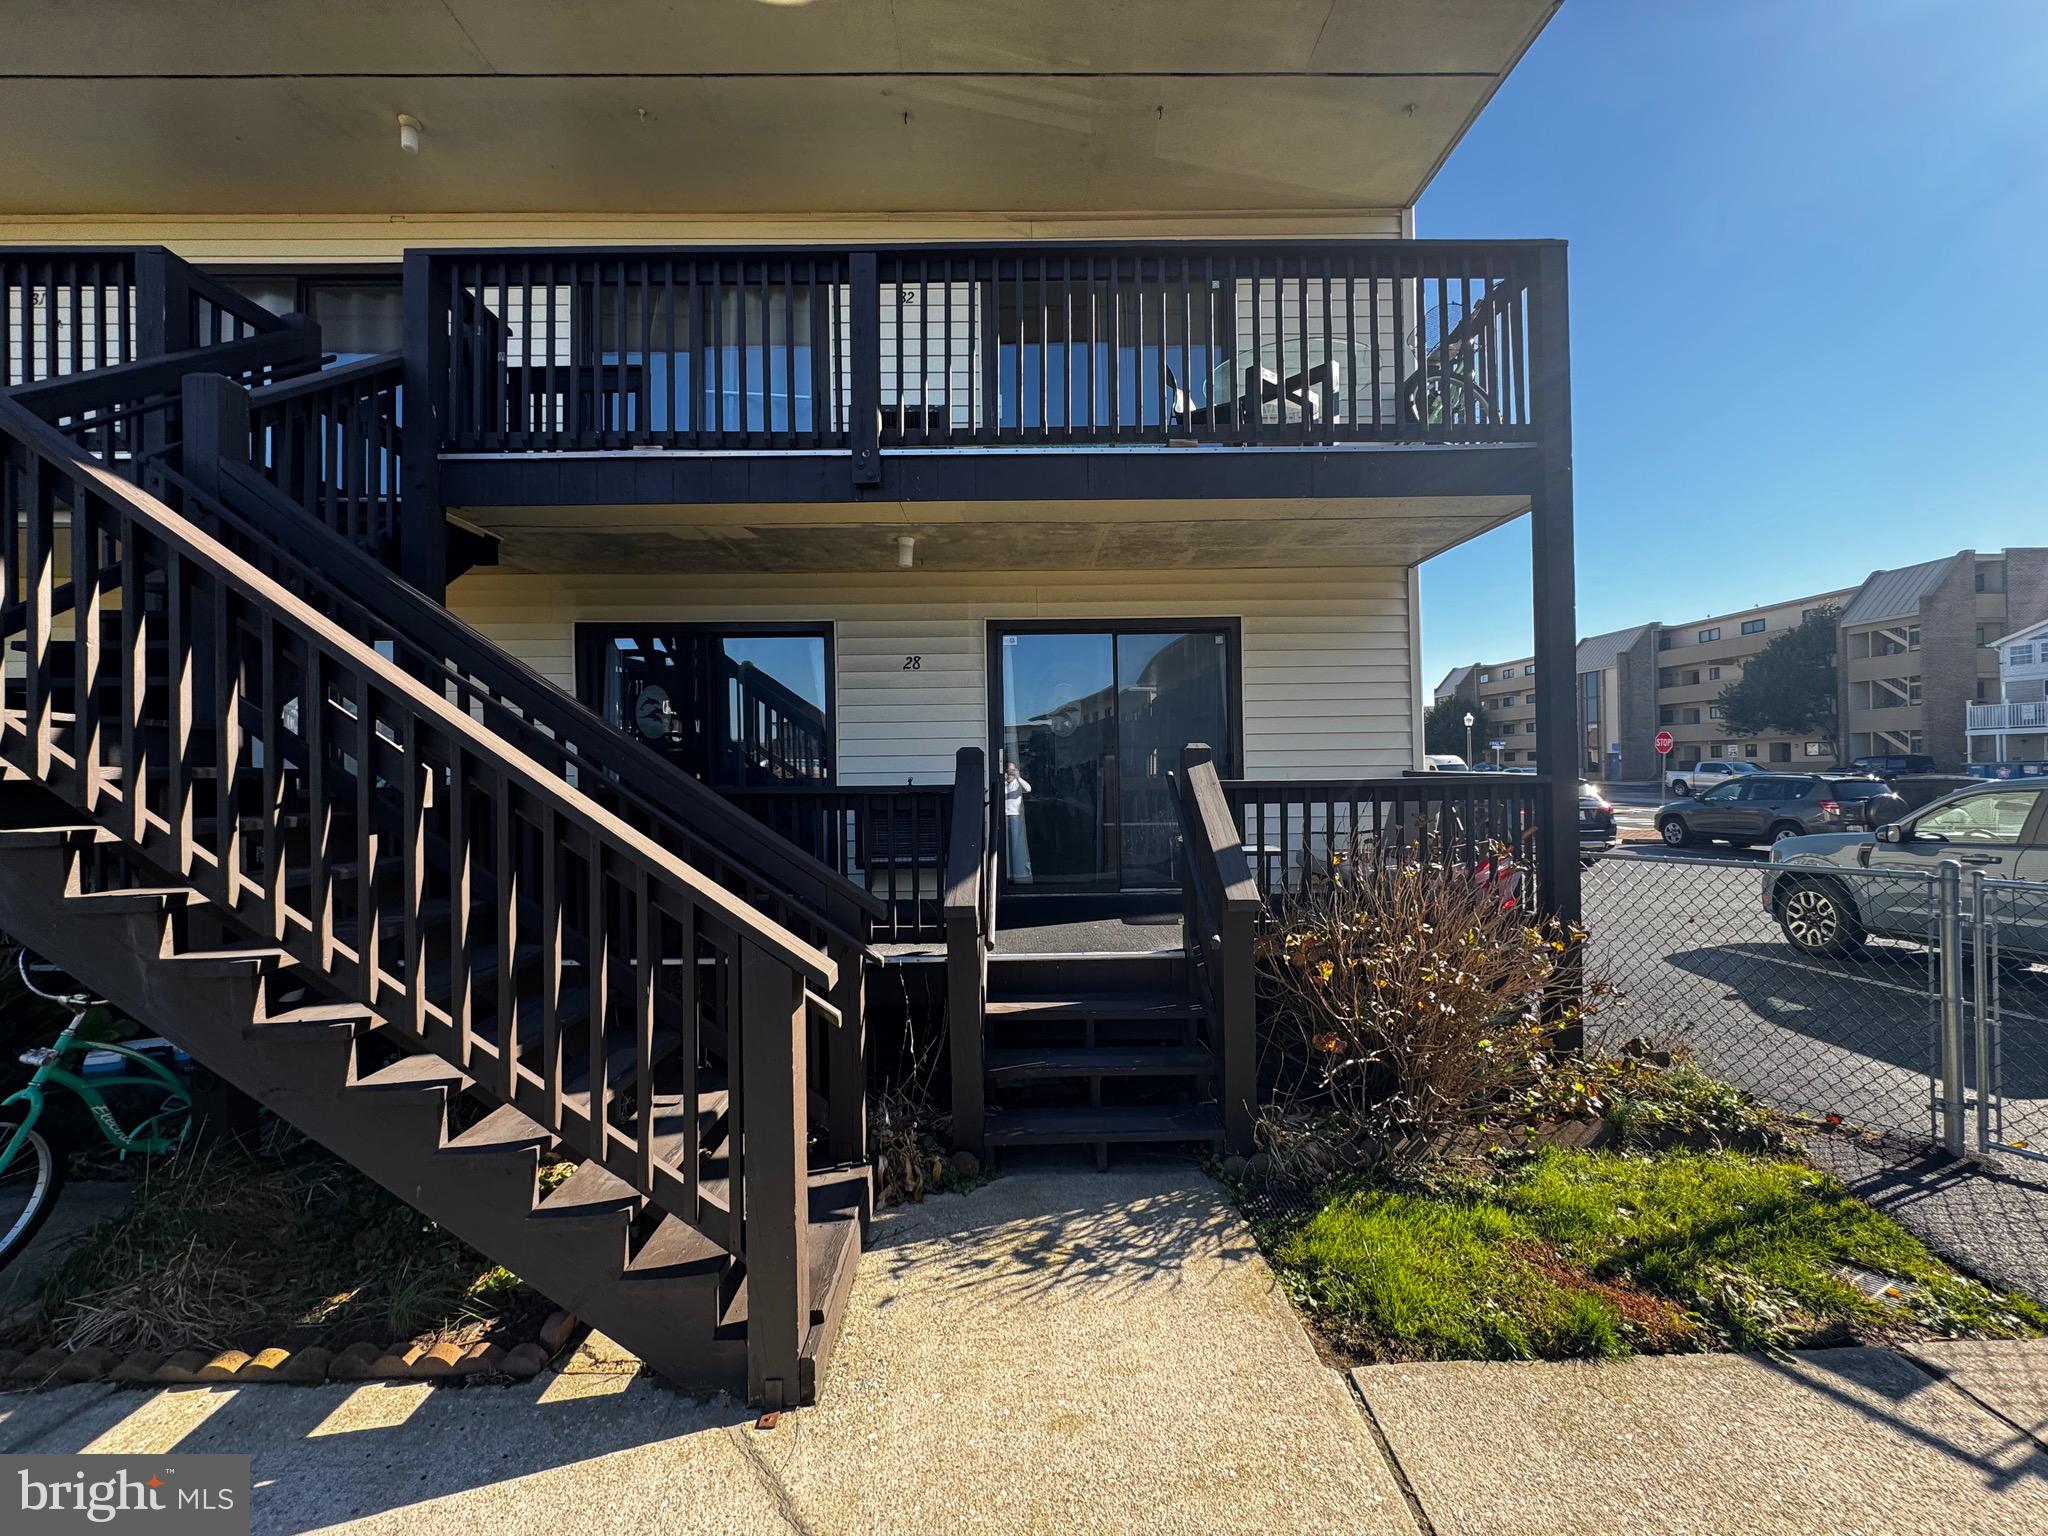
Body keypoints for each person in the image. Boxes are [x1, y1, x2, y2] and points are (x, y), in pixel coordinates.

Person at [1003, 760, 1033, 883]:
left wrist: (1017, 777)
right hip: (1003, 816)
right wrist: (1003, 779)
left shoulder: (1017, 783)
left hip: (1014, 817)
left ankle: (1018, 872)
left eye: (1012, 771)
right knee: (1004, 845)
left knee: (1015, 845)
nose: (1009, 773)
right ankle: (1007, 872)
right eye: (1008, 771)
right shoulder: (1003, 783)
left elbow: (1028, 789)